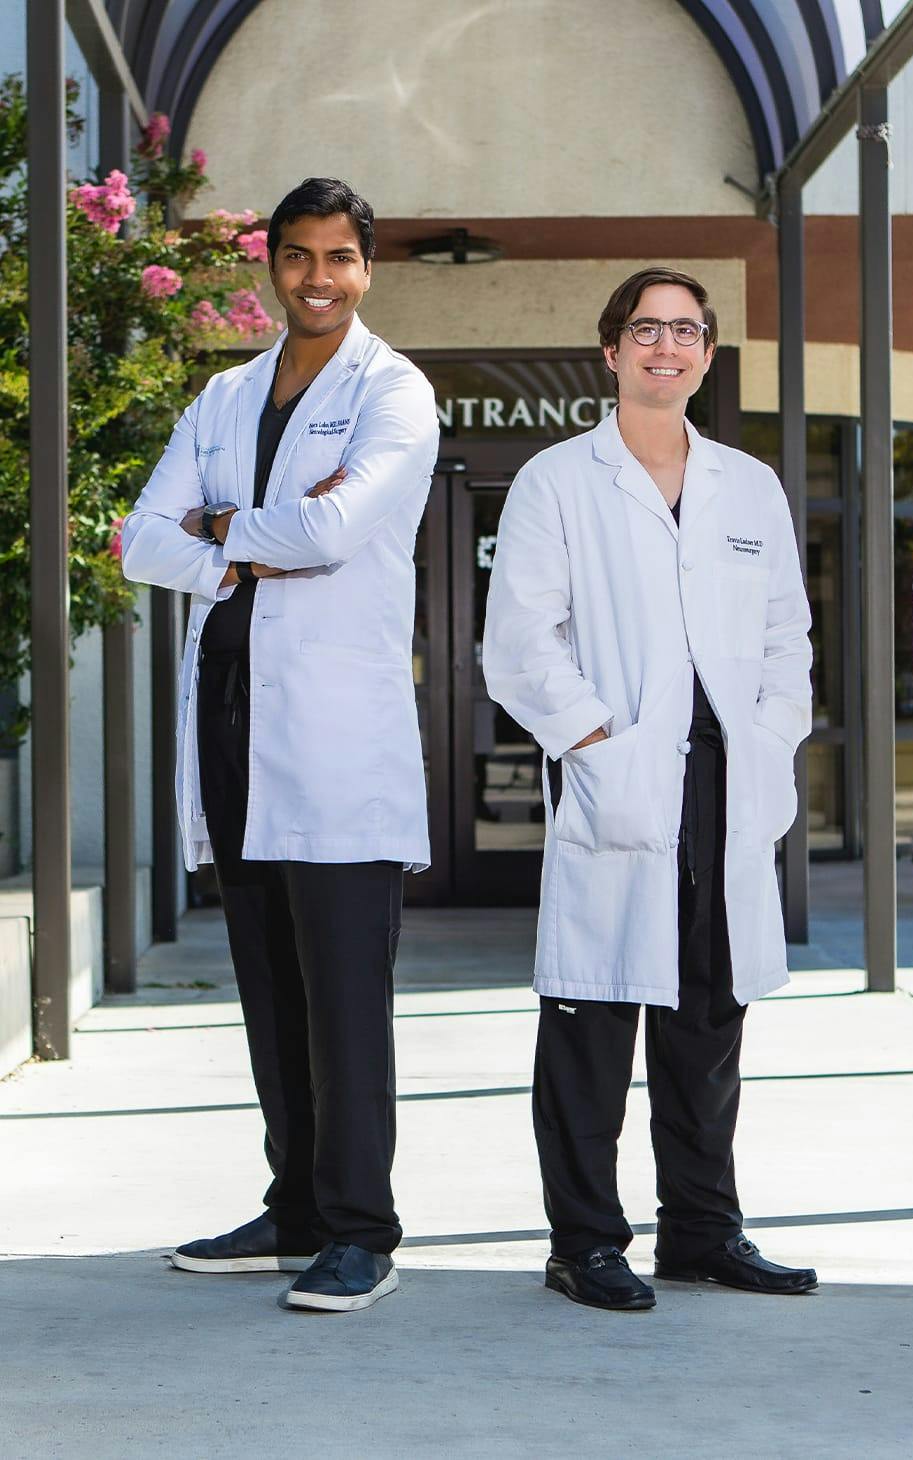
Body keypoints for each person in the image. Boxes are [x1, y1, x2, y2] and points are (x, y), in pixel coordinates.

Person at [121, 178, 439, 1313]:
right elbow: (136, 539)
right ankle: (295, 1205)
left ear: (366, 265)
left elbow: (336, 527)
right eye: (297, 255)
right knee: (270, 988)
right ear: (270, 264)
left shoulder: (394, 392)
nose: (317, 277)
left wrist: (216, 527)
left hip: (336, 746)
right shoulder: (225, 394)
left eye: (339, 257)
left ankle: (362, 1227)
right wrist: (236, 545)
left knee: (344, 1000)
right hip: (231, 727)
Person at [483, 267, 817, 1311]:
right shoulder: (557, 480)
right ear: (611, 350)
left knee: (708, 1021)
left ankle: (702, 1232)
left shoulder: (747, 486)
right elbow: (521, 645)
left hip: (724, 782)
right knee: (590, 1023)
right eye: (645, 329)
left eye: (685, 330)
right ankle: (583, 1239)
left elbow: (784, 638)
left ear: (707, 354)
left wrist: (769, 741)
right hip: (620, 775)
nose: (664, 346)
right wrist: (600, 745)